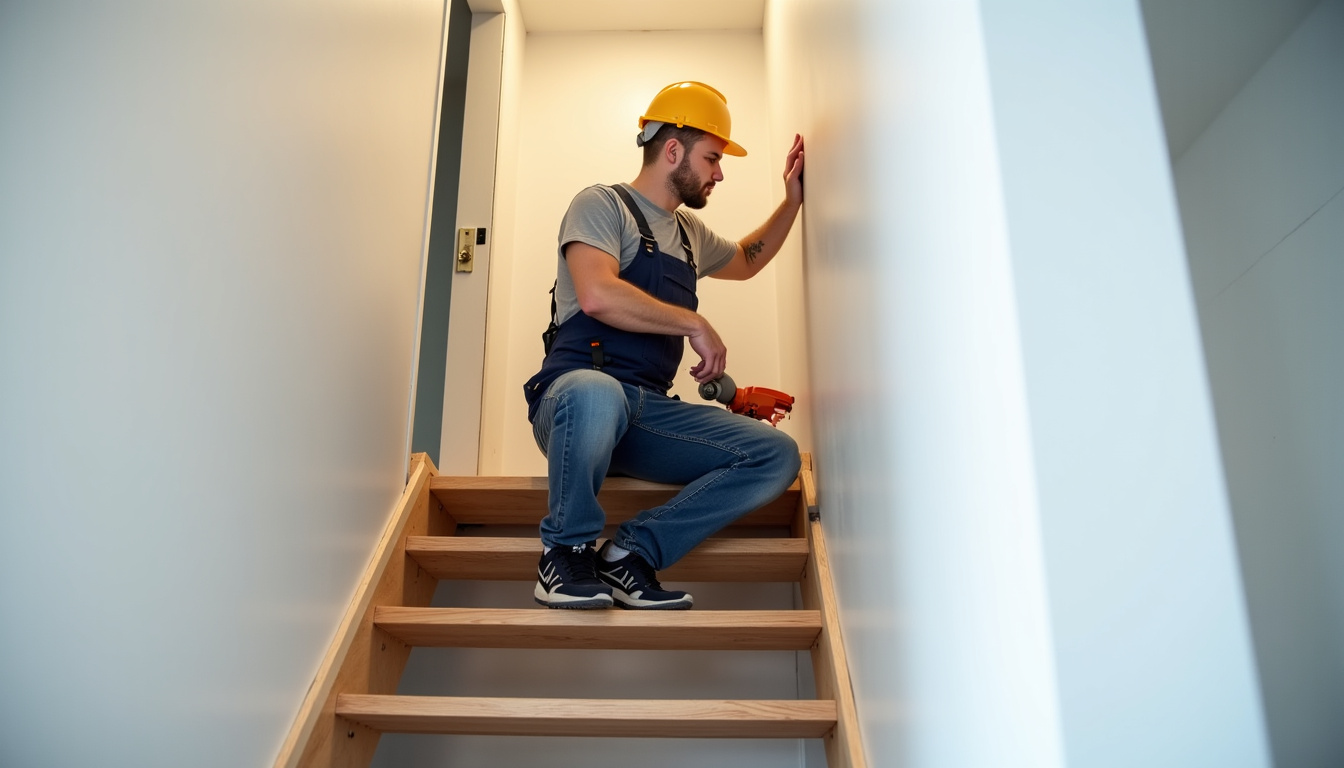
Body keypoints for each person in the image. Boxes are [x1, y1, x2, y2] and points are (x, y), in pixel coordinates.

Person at [523, 81, 805, 610]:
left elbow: (746, 259)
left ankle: (631, 553)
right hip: (574, 404)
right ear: (673, 150)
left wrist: (792, 202)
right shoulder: (601, 205)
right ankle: (564, 553)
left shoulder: (689, 233)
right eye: (712, 158)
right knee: (596, 392)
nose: (719, 173)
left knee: (775, 454)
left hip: (646, 413)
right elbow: (597, 295)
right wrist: (693, 323)